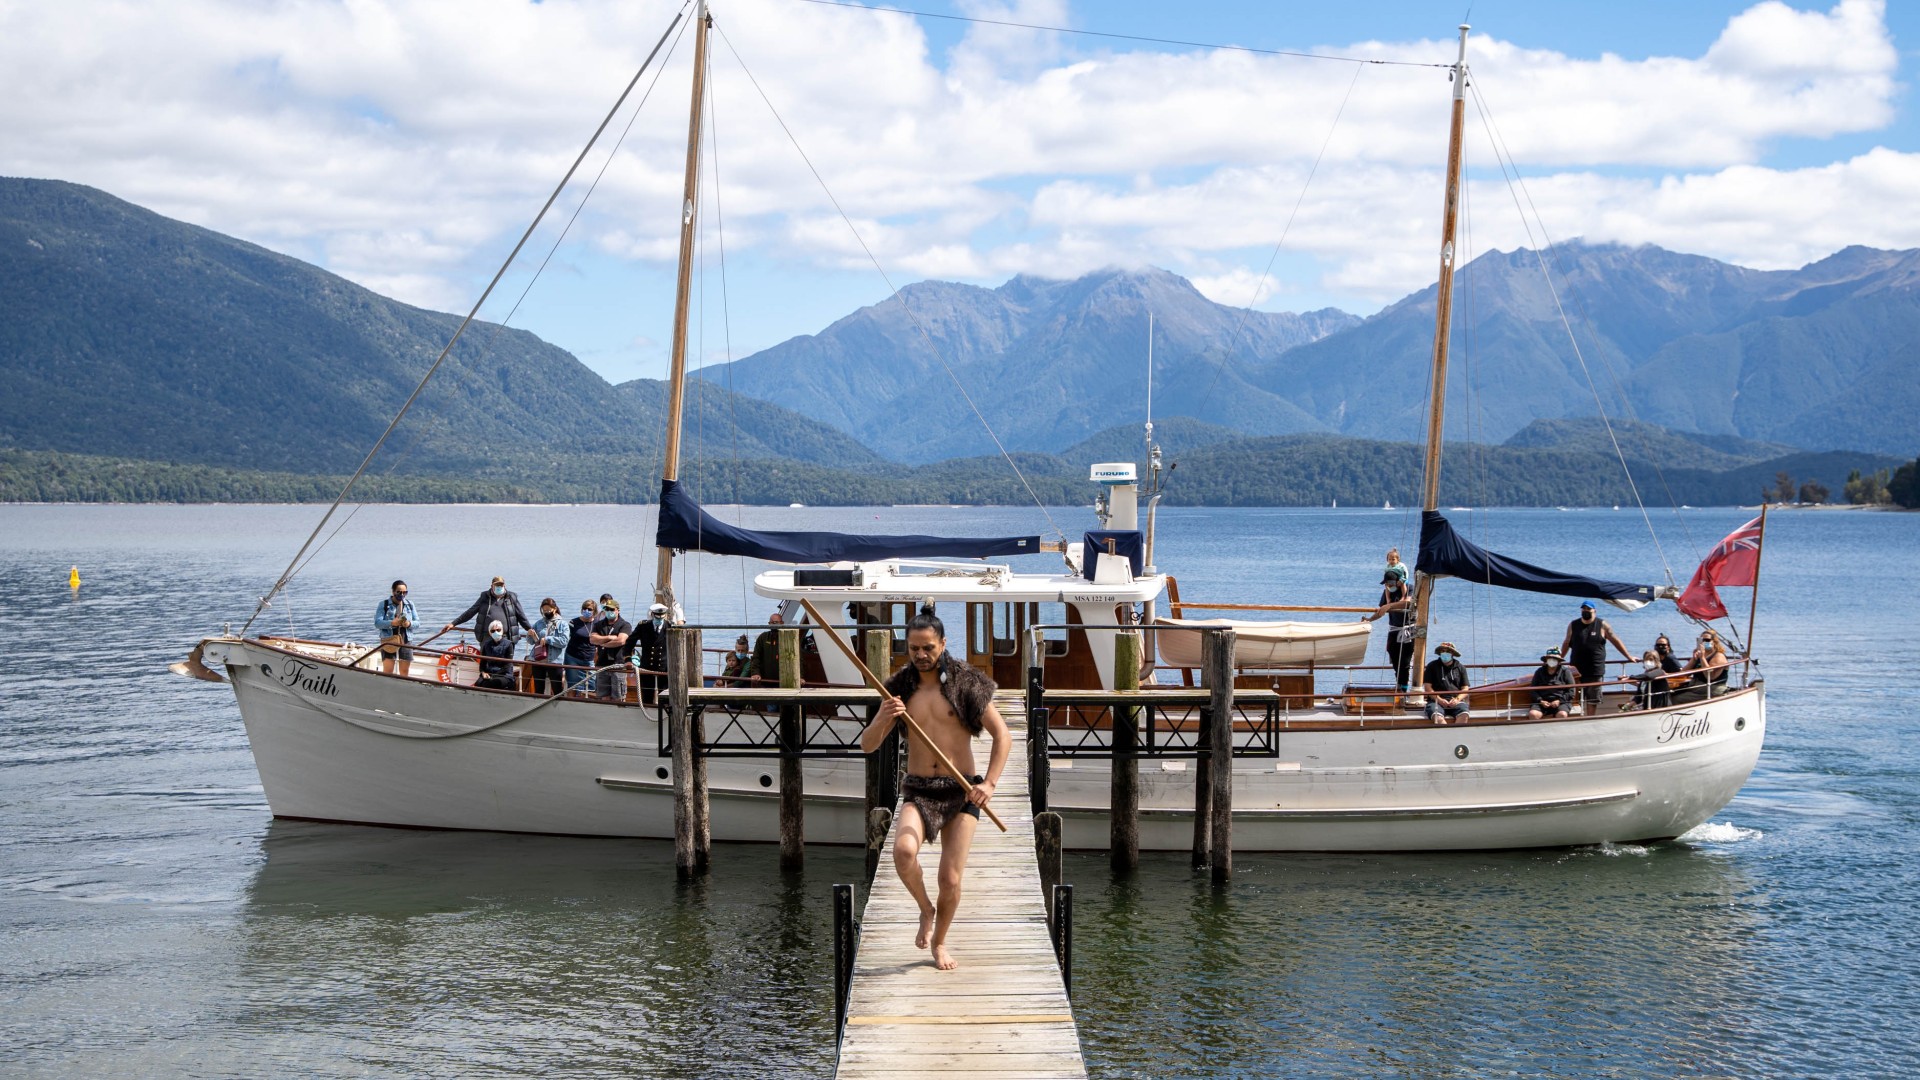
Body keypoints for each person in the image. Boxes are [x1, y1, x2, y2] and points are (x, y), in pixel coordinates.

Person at [860, 605, 1011, 972]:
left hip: (962, 791)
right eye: (914, 649)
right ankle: (925, 908)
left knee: (951, 877)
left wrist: (989, 784)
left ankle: (940, 941)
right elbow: (867, 745)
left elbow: (1002, 735)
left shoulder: (966, 684)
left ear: (942, 644)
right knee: (902, 852)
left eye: (928, 648)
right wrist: (884, 716)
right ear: (907, 648)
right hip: (919, 789)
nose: (921, 655)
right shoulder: (898, 689)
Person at [1559, 601, 1632, 710]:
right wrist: (1559, 659)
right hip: (1576, 669)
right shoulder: (1573, 625)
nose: (1586, 611)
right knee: (1574, 698)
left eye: (1588, 609)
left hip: (1595, 669)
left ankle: (1589, 719)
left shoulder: (1602, 625)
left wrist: (1628, 656)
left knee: (1592, 699)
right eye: (1583, 609)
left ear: (1594, 611)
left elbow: (1615, 640)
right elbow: (1566, 643)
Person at [1364, 567, 1415, 692]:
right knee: (1393, 655)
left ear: (1398, 581)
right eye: (1387, 583)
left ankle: (1403, 687)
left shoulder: (1410, 588)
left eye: (1391, 583)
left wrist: (1390, 605)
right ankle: (1399, 683)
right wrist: (1369, 619)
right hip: (1394, 629)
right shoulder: (1387, 592)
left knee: (1405, 661)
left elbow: (1407, 602)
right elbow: (1381, 611)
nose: (1389, 585)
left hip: (1408, 629)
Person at [445, 575, 533, 642]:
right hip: (487, 637)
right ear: (492, 586)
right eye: (497, 585)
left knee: (506, 663)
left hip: (507, 637)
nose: (499, 587)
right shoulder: (484, 597)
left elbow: (521, 615)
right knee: (486, 663)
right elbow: (471, 611)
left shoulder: (512, 597)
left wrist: (529, 628)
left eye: (501, 585)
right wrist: (454, 623)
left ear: (504, 586)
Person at [1672, 629, 1731, 704]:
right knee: (1669, 693)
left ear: (1714, 642)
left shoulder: (1719, 656)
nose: (1704, 642)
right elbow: (1684, 673)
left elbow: (1710, 676)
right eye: (1702, 640)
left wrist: (1702, 658)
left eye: (1707, 640)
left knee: (1675, 699)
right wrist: (1693, 659)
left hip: (1710, 689)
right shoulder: (1699, 654)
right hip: (1695, 687)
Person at [590, 599, 633, 701]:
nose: (609, 611)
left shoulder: (625, 625)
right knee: (603, 696)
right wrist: (610, 638)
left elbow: (621, 641)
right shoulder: (598, 624)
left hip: (618, 664)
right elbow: (592, 639)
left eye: (611, 609)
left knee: (618, 696)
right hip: (602, 664)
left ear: (617, 610)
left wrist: (602, 643)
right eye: (606, 609)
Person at [629, 602, 672, 706]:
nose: (659, 619)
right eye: (657, 617)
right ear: (652, 615)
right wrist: (628, 659)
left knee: (665, 698)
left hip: (664, 668)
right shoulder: (643, 626)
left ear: (665, 615)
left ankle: (664, 716)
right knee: (646, 697)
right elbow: (629, 643)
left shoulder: (670, 626)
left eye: (662, 617)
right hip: (647, 666)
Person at [372, 579, 416, 676]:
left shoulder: (409, 604)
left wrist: (408, 624)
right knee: (388, 671)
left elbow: (417, 623)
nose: (402, 595)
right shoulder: (383, 604)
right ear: (393, 591)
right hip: (389, 639)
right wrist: (392, 623)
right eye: (399, 592)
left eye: (405, 592)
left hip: (406, 639)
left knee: (404, 671)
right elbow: (377, 623)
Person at [527, 598, 569, 697]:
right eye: (544, 610)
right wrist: (530, 635)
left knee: (557, 689)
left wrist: (548, 639)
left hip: (554, 661)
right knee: (538, 688)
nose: (546, 612)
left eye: (548, 610)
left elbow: (564, 641)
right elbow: (531, 642)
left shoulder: (563, 624)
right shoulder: (539, 623)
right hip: (538, 660)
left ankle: (558, 708)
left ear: (554, 609)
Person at [1421, 641, 1470, 724]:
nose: (1445, 653)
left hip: (1456, 701)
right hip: (1435, 702)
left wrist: (1457, 699)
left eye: (1448, 651)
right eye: (1442, 651)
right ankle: (1447, 735)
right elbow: (1427, 687)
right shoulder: (1432, 666)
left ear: (1452, 654)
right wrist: (1439, 700)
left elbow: (1465, 688)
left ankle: (1456, 735)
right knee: (1438, 718)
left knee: (1464, 715)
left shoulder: (1460, 667)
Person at [1528, 648, 1577, 719]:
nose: (1552, 660)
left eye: (1554, 659)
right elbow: (1533, 690)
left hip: (1561, 702)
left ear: (1559, 661)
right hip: (1542, 701)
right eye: (1550, 658)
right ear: (1546, 660)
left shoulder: (1566, 672)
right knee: (1533, 714)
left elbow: (1571, 691)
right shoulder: (1539, 672)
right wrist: (1541, 700)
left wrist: (1559, 701)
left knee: (1562, 714)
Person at [564, 600, 600, 696]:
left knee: (591, 685)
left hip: (589, 658)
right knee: (573, 685)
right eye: (584, 608)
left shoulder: (598, 623)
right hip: (573, 657)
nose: (586, 611)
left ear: (595, 611)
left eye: (589, 609)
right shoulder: (573, 622)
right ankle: (570, 704)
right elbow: (566, 637)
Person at [476, 619, 518, 690]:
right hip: (490, 672)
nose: (496, 632)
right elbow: (483, 663)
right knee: (478, 683)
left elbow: (507, 665)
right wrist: (483, 673)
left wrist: (494, 675)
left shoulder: (509, 644)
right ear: (490, 633)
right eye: (493, 631)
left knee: (495, 682)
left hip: (505, 674)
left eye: (498, 630)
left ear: (502, 631)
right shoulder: (486, 644)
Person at [749, 610, 784, 684]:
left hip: (784, 679)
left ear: (782, 623)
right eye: (772, 623)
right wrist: (755, 673)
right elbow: (756, 657)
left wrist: (800, 676)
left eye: (776, 622)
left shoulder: (788, 638)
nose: (774, 625)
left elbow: (798, 658)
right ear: (768, 624)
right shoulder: (763, 638)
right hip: (765, 680)